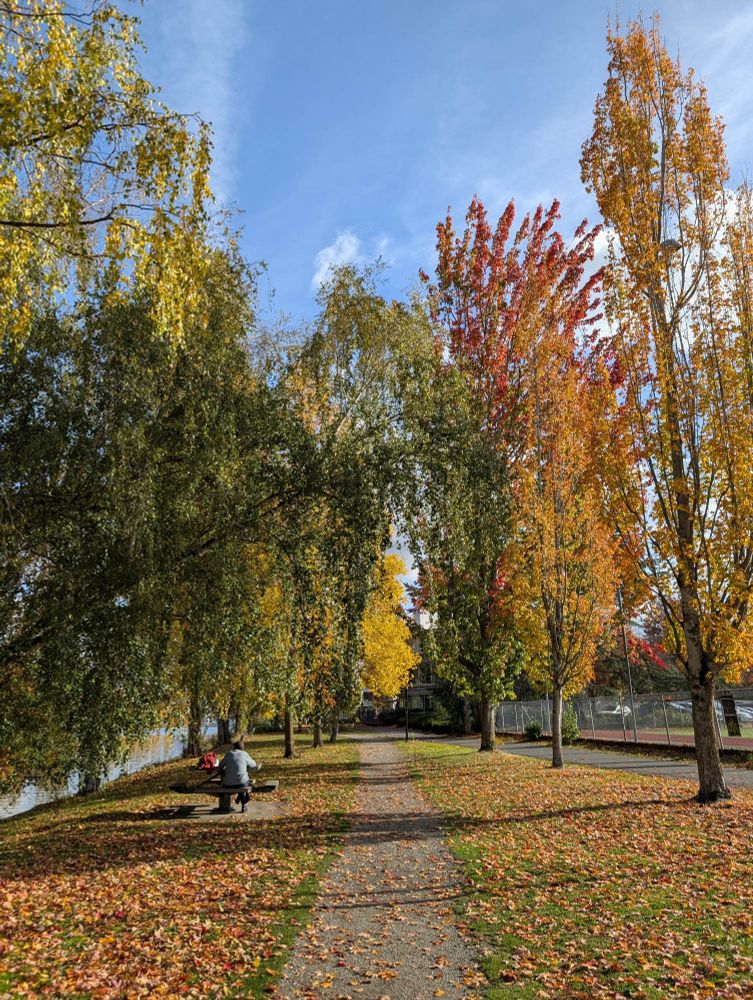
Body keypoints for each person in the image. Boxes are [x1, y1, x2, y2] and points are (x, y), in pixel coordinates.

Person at [214, 738, 261, 812]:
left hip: (228, 783)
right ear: (243, 748)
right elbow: (253, 764)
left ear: (234, 747)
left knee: (239, 781)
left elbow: (221, 766)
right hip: (241, 783)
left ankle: (239, 798)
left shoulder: (229, 754)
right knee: (243, 783)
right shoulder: (244, 754)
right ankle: (244, 805)